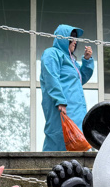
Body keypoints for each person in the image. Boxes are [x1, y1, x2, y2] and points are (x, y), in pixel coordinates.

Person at [40, 24, 94, 152]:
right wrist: (60, 100)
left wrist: (87, 60)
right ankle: (50, 162)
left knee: (78, 138)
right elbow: (51, 77)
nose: (75, 41)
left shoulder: (71, 61)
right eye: (72, 37)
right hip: (62, 106)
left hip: (76, 108)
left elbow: (80, 79)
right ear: (63, 38)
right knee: (59, 135)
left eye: (76, 38)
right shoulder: (51, 53)